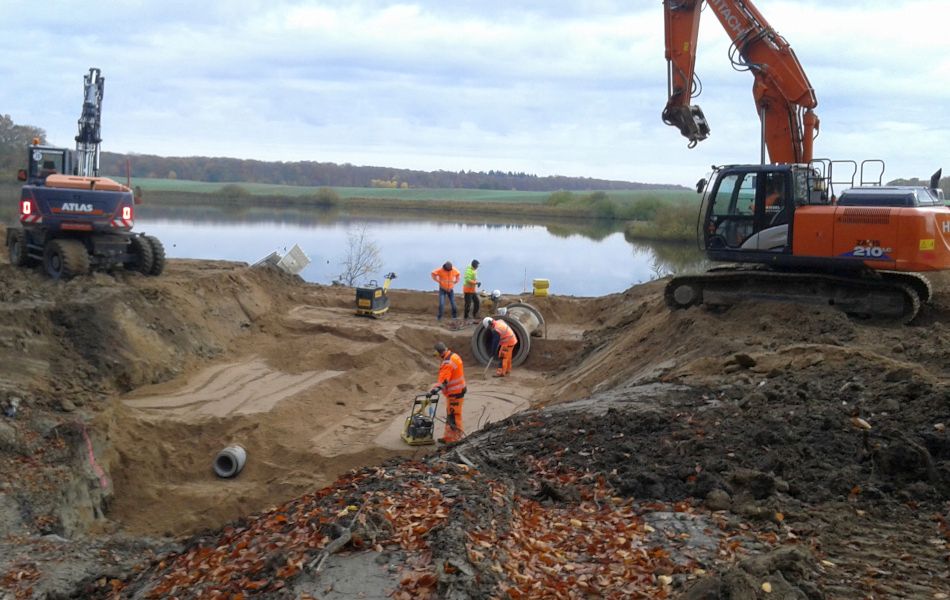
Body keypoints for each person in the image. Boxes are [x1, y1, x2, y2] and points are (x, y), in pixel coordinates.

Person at [429, 341, 466, 443]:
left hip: (455, 393)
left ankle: (455, 440)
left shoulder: (447, 363)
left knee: (454, 417)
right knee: (450, 415)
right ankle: (448, 438)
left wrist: (434, 390)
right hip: (457, 391)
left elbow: (444, 381)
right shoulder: (454, 356)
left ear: (439, 353)